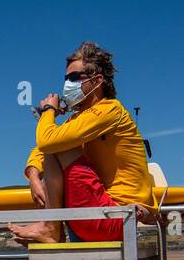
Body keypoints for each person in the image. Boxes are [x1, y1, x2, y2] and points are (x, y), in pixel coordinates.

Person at [8, 41, 154, 244]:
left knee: (56, 143)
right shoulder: (78, 119)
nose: (68, 83)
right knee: (57, 143)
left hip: (119, 216)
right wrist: (33, 175)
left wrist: (48, 112)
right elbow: (42, 148)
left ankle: (50, 228)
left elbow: (48, 141)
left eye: (75, 77)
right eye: (66, 78)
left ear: (97, 81)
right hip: (97, 214)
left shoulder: (110, 110)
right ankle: (50, 227)